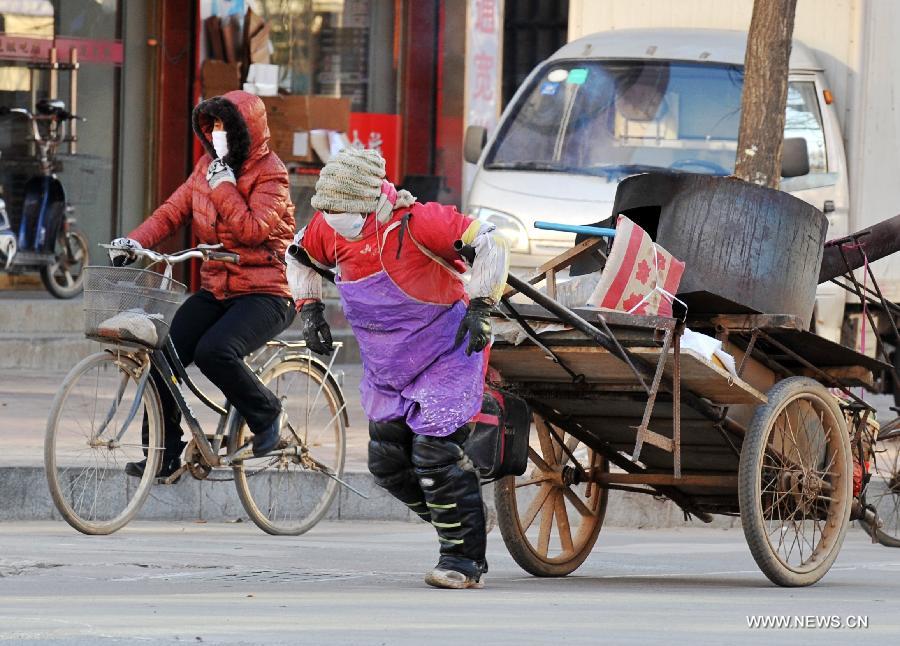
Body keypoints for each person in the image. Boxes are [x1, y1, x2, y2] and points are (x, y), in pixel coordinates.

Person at [286, 148, 509, 589]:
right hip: (389, 365)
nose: (331, 218)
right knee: (386, 463)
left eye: (340, 210)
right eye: (325, 209)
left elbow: (491, 241)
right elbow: (297, 255)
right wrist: (309, 310)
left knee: (435, 458)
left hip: (446, 354)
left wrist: (483, 307)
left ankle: (462, 561)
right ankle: (463, 519)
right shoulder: (327, 231)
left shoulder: (419, 222)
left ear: (369, 202)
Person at [108, 90, 296, 479]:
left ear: (248, 130)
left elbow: (251, 229)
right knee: (162, 354)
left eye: (227, 126)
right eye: (213, 126)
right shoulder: (205, 168)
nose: (218, 134)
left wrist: (225, 186)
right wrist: (136, 242)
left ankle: (266, 412)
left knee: (215, 351)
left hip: (267, 292)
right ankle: (162, 452)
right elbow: (172, 211)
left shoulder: (272, 173)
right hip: (218, 289)